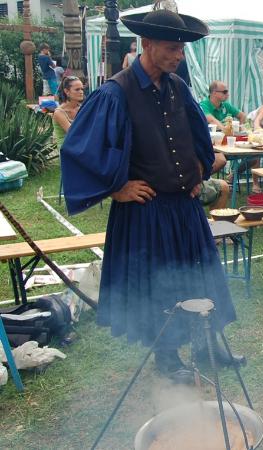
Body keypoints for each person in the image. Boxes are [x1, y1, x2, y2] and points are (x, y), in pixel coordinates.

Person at [60, 9, 243, 381]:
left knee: (201, 278)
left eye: (181, 50)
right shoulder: (116, 92)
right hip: (147, 212)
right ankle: (168, 356)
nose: (179, 56)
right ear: (147, 44)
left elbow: (195, 137)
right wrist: (117, 187)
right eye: (172, 48)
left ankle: (208, 344)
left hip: (184, 207)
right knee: (164, 287)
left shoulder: (177, 87)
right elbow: (80, 149)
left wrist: (198, 172)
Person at [52, 76, 84, 149]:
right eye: (77, 89)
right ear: (67, 91)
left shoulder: (82, 108)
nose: (81, 92)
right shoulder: (59, 112)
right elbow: (73, 133)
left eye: (82, 89)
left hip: (81, 146)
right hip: (67, 150)